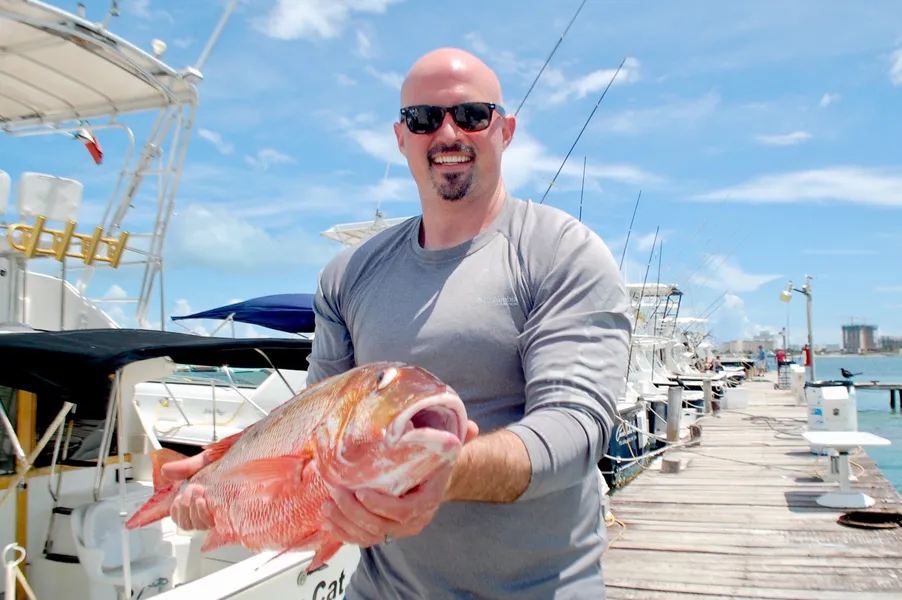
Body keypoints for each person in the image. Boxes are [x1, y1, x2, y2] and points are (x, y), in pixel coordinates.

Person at [159, 47, 632, 599]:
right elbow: (314, 436)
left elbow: (576, 427)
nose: (448, 132)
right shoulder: (348, 275)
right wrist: (218, 489)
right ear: (401, 136)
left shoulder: (562, 252)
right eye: (424, 118)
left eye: (472, 115)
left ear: (505, 130)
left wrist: (441, 473)